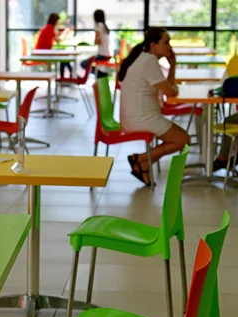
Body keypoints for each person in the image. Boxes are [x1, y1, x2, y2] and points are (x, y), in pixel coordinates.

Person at [119, 27, 191, 186]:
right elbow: (170, 92)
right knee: (183, 140)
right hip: (141, 118)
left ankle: (143, 164)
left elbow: (170, 89)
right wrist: (172, 75)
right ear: (153, 45)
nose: (170, 47)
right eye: (166, 42)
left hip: (138, 116)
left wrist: (172, 66)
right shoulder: (149, 61)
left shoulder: (145, 58)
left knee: (181, 139)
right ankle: (140, 158)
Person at [35, 13, 74, 78]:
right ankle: (67, 75)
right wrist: (66, 32)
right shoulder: (49, 28)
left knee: (64, 56)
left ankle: (66, 76)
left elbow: (56, 39)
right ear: (56, 20)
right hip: (42, 52)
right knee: (64, 56)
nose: (59, 22)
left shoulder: (49, 27)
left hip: (45, 51)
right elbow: (59, 40)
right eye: (58, 20)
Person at [80, 9, 112, 78]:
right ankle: (100, 74)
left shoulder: (99, 25)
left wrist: (96, 40)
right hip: (108, 54)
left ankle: (100, 74)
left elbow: (96, 41)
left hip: (103, 55)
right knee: (88, 63)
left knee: (83, 64)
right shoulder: (104, 26)